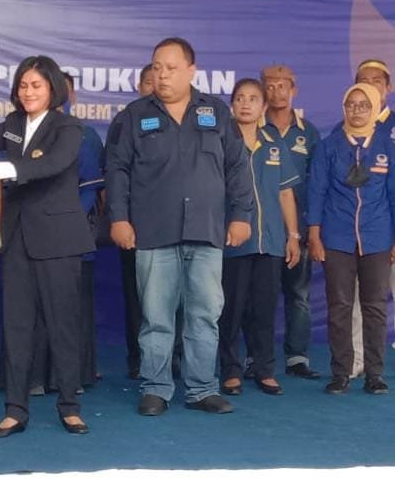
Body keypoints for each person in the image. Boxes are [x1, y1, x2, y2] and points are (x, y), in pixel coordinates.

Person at [106, 37, 253, 417]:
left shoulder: (216, 112)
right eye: (157, 67)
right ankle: (156, 388)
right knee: (156, 317)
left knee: (204, 314)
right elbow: (117, 170)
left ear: (191, 70)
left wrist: (242, 215)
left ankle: (202, 389)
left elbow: (238, 167)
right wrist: (118, 218)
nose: (162, 75)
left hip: (206, 230)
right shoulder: (134, 115)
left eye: (171, 68)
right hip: (154, 232)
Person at [0, 55, 95, 438]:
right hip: (17, 240)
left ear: (52, 88)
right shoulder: (11, 125)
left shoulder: (69, 127)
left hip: (58, 240)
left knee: (63, 325)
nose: (28, 92)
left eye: (36, 85)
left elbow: (52, 165)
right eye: (23, 85)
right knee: (17, 326)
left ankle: (69, 407)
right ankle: (15, 409)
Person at [307, 82, 395, 395]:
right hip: (337, 237)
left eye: (364, 105)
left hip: (377, 237)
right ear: (343, 107)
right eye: (351, 104)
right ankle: (341, 373)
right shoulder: (329, 146)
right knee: (340, 306)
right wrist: (314, 234)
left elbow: (393, 194)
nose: (356, 110)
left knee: (375, 307)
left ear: (375, 108)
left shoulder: (386, 146)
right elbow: (316, 192)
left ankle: (375, 374)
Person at [218, 79, 300, 397]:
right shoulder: (222, 143)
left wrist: (292, 236)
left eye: (253, 98)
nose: (246, 104)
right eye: (240, 98)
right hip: (234, 241)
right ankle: (230, 370)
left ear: (264, 106)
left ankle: (263, 368)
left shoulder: (273, 144)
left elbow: (285, 193)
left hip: (271, 241)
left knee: (264, 309)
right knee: (231, 309)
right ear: (232, 105)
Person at [29, 71, 104, 394]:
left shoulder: (85, 134)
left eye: (64, 91)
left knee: (70, 307)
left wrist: (68, 218)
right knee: (33, 307)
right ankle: (32, 377)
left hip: (71, 235)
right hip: (32, 231)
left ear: (70, 95)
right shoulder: (26, 130)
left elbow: (90, 188)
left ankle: (68, 379)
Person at [259, 65, 321, 380]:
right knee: (260, 296)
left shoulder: (307, 132)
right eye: (270, 86)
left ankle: (297, 357)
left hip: (299, 226)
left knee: (299, 295)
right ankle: (257, 357)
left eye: (283, 86)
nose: (277, 92)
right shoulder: (255, 127)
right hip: (263, 226)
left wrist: (312, 228)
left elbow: (318, 183)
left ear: (293, 90)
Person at [107, 63, 155, 379]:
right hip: (135, 223)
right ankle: (139, 358)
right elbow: (114, 171)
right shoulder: (126, 119)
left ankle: (174, 357)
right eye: (149, 81)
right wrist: (120, 217)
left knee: (176, 297)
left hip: (174, 223)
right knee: (138, 295)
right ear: (139, 87)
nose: (155, 86)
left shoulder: (185, 116)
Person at [350, 59, 394, 376]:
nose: (371, 85)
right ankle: (357, 360)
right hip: (365, 231)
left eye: (377, 80)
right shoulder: (346, 128)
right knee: (358, 298)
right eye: (363, 80)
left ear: (387, 87)